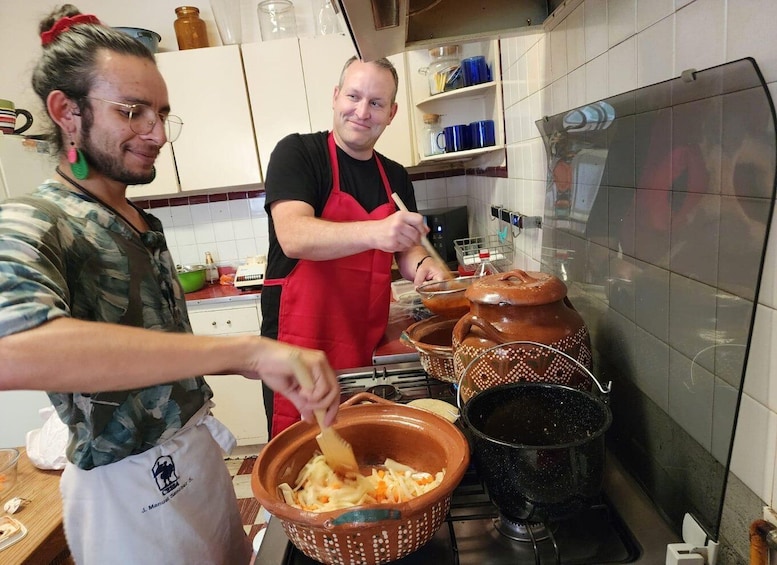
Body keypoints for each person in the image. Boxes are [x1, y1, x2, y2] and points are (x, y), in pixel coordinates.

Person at [0, 6, 340, 564]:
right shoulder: (34, 220)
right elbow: (11, 351)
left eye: (161, 113)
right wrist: (246, 352)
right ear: (66, 112)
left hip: (198, 463)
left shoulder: (140, 223)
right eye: (132, 112)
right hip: (125, 494)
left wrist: (261, 364)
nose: (157, 133)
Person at [260, 56, 449, 437]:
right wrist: (375, 231)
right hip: (300, 343)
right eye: (353, 96)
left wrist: (423, 264)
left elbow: (407, 248)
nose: (362, 112)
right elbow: (294, 236)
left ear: (391, 113)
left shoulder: (394, 175)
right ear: (335, 97)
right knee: (305, 453)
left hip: (362, 340)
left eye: (376, 103)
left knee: (358, 443)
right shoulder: (298, 154)